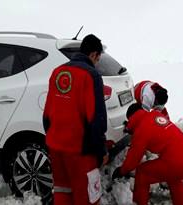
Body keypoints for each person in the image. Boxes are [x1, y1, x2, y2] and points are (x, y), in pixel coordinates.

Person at [43, 34, 108, 205]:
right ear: (94, 54)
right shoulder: (91, 75)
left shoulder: (57, 72)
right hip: (80, 151)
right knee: (87, 197)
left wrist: (54, 138)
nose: (97, 63)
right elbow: (97, 119)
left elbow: (47, 115)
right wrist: (101, 151)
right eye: (98, 59)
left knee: (63, 191)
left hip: (56, 147)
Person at [112, 103, 183, 205]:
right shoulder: (155, 115)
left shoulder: (142, 129)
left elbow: (134, 158)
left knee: (142, 173)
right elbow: (154, 132)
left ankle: (139, 203)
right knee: (173, 177)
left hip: (176, 163)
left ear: (131, 118)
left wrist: (122, 171)